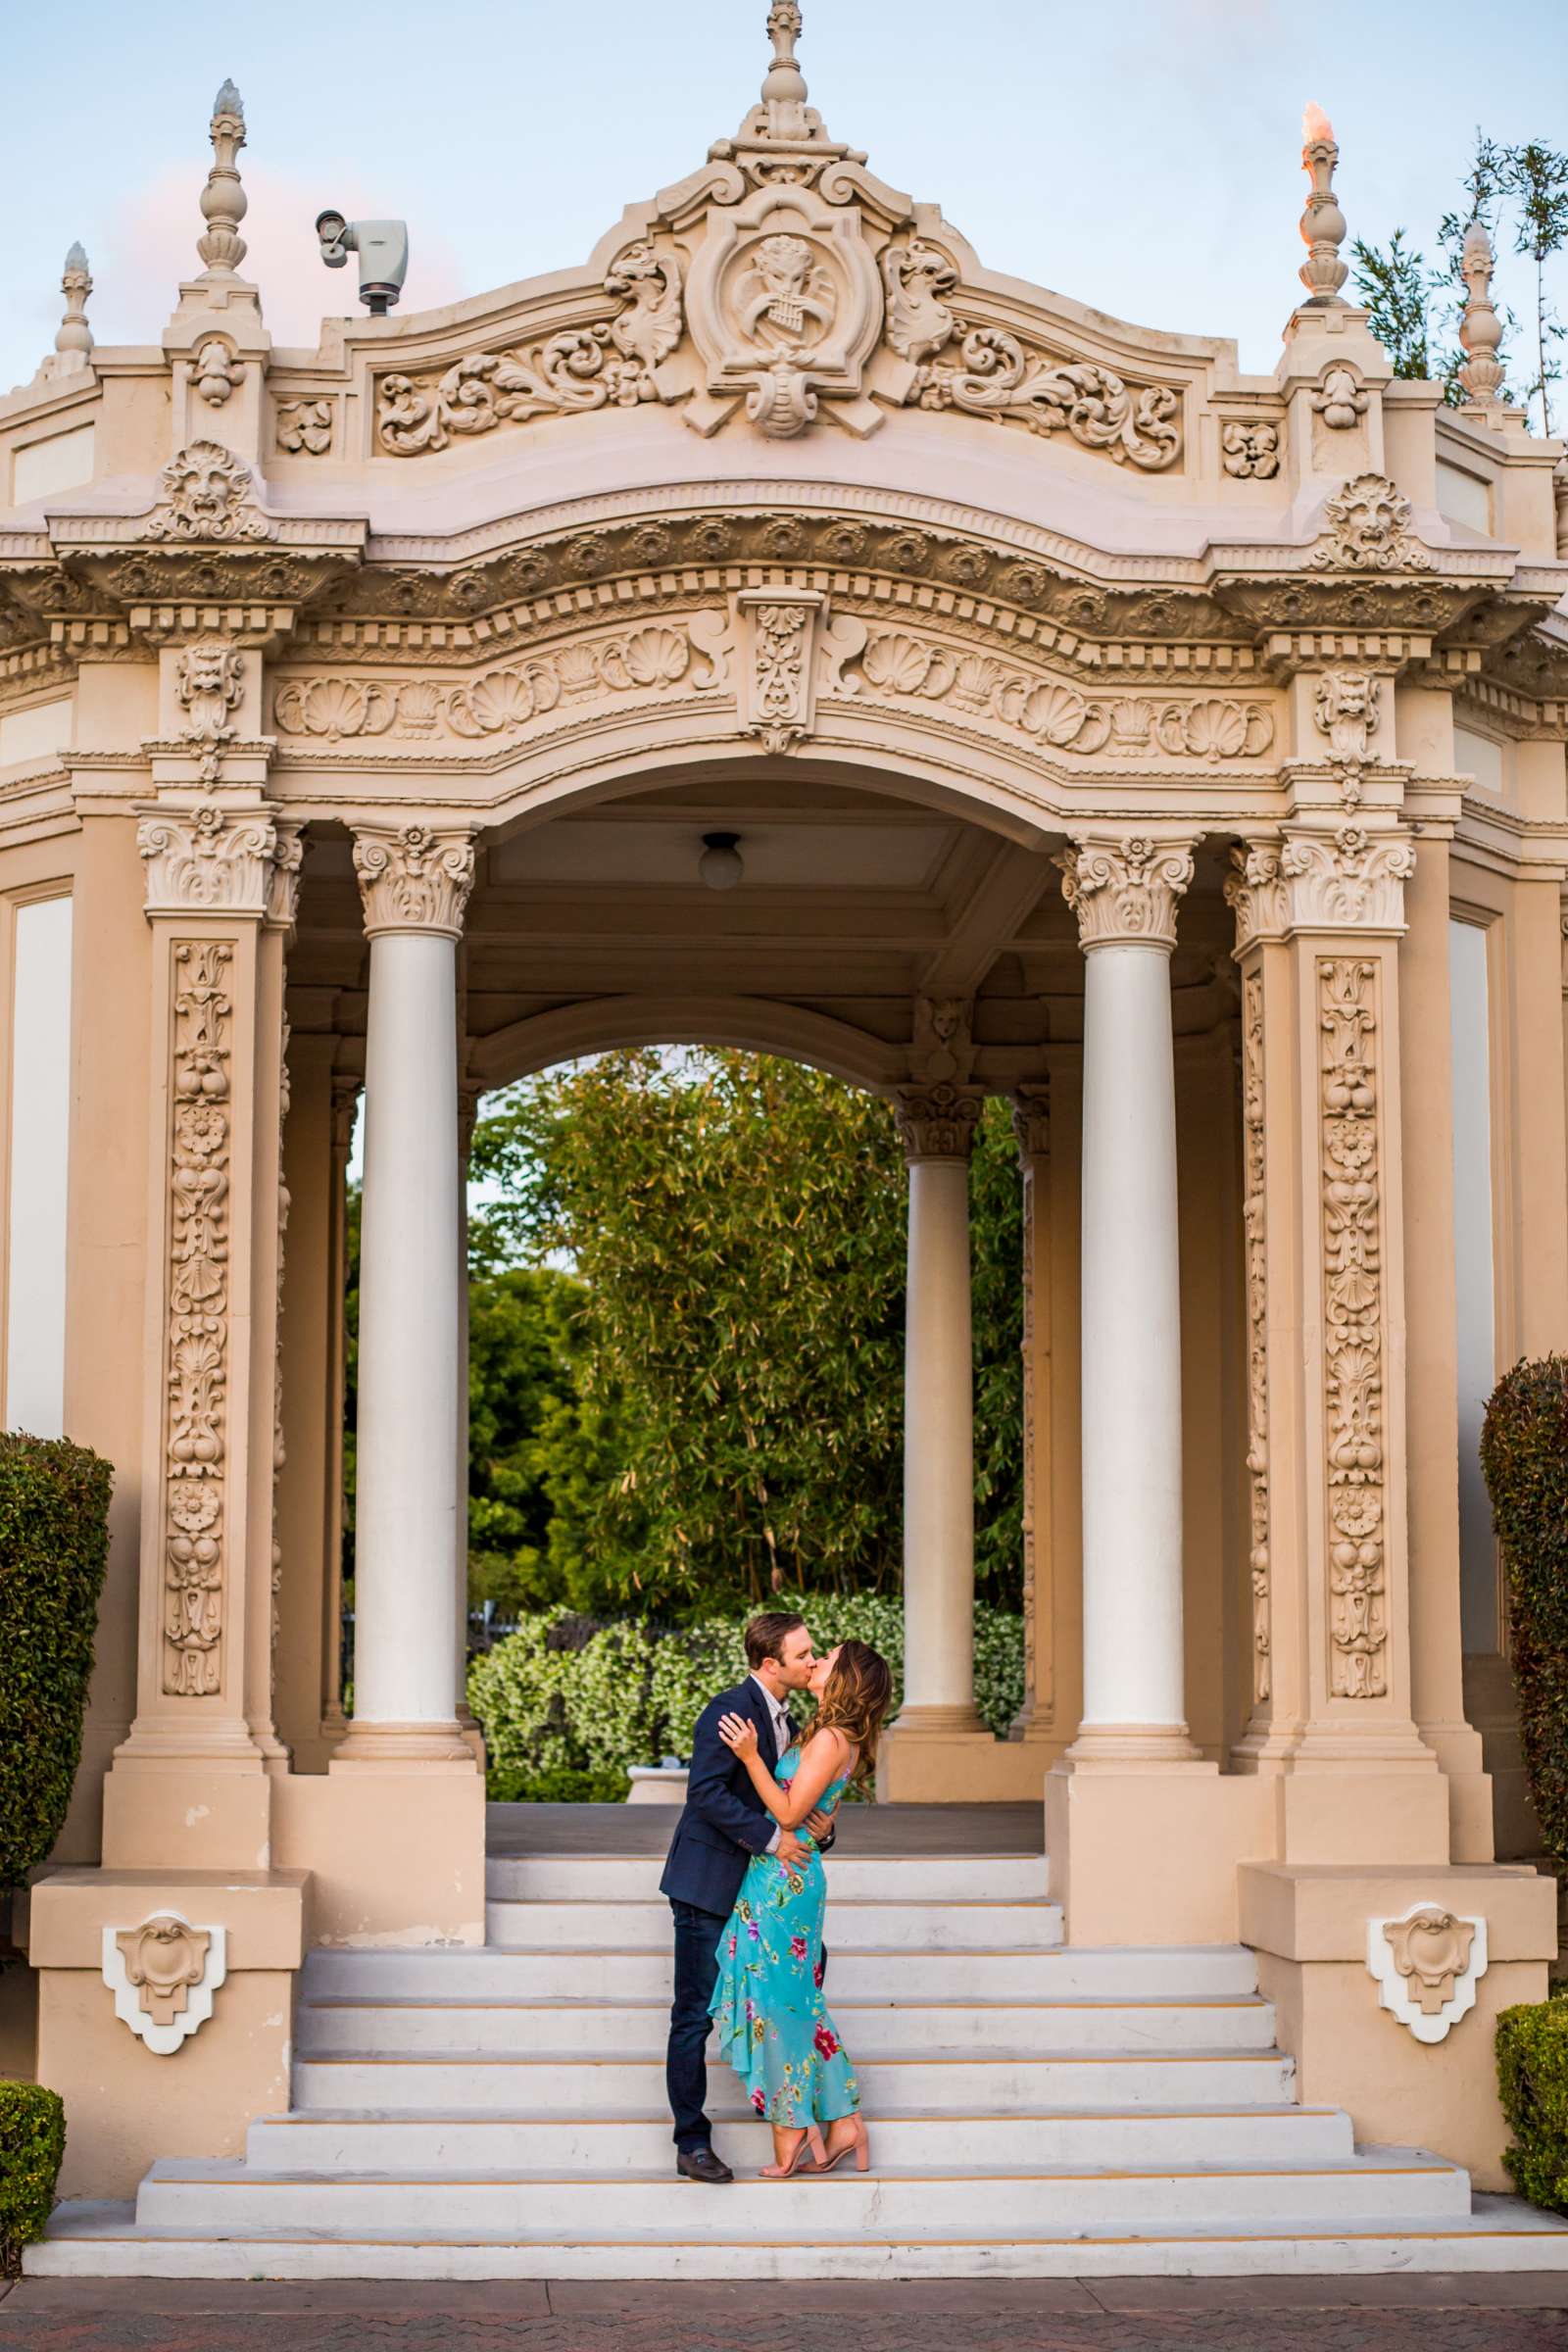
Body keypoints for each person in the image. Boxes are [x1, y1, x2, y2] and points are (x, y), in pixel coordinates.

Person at [659, 1610, 837, 2184]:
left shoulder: (796, 1719)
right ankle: (692, 2143)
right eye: (804, 1653)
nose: (813, 1660)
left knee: (809, 1977)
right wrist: (772, 1839)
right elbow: (706, 1793)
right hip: (710, 1885)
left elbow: (795, 1798)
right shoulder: (729, 1710)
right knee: (693, 2017)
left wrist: (821, 1832)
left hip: (765, 1895)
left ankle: (801, 2113)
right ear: (770, 1664)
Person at [710, 1639, 894, 2179]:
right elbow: (806, 1808)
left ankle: (795, 2128)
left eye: (828, 1658)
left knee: (779, 2003)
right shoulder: (825, 1733)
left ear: (845, 1679)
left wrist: (747, 1756)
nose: (816, 1662)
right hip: (777, 1876)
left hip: (784, 1884)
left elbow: (789, 1810)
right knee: (790, 2001)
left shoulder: (833, 1737)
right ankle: (841, 2123)